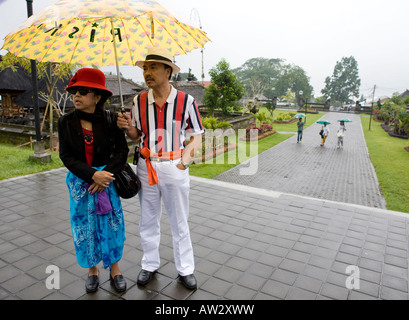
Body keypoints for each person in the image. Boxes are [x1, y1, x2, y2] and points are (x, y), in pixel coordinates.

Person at [117, 47, 204, 290]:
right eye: (145, 68)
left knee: (179, 220)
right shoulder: (138, 101)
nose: (147, 72)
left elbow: (196, 136)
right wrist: (127, 126)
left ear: (168, 71)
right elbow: (137, 134)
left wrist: (184, 162)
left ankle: (185, 268)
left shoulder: (187, 101)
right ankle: (149, 264)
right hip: (146, 165)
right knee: (148, 218)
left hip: (174, 164)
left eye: (153, 67)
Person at [58, 68, 129, 293]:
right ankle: (92, 270)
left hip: (107, 181)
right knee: (83, 226)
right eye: (74, 91)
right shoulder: (66, 122)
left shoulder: (111, 120)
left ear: (97, 97)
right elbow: (66, 156)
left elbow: (122, 151)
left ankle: (115, 269)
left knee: (112, 224)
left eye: (83, 91)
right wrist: (91, 175)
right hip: (81, 183)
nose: (76, 95)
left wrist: (104, 175)